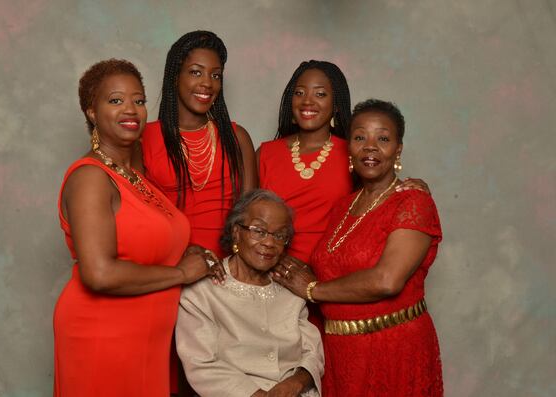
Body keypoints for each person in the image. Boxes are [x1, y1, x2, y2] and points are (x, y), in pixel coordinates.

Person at [53, 59, 222, 397]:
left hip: (146, 340)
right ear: (91, 111)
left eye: (139, 100)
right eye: (115, 100)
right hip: (102, 336)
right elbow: (99, 273)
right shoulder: (91, 178)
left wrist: (183, 249)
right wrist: (181, 273)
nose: (131, 109)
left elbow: (145, 242)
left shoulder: (136, 174)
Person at [273, 99, 443, 396]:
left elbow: (387, 281)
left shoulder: (413, 203)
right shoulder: (342, 206)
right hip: (341, 353)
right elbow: (337, 268)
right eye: (360, 137)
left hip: (392, 349)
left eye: (383, 138)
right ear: (348, 146)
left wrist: (312, 289)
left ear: (398, 149)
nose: (370, 146)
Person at [258, 61, 427, 264]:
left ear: (336, 104)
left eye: (320, 94)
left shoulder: (355, 152)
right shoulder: (266, 153)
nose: (307, 102)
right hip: (271, 269)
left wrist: (414, 189)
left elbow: (380, 196)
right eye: (299, 93)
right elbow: (247, 219)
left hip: (329, 273)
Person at [176, 190, 324, 397]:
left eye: (280, 235)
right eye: (259, 231)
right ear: (237, 232)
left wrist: (295, 383)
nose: (269, 243)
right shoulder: (202, 290)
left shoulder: (290, 286)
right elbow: (201, 363)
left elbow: (312, 352)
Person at [140, 30, 257, 258]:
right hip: (170, 265)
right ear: (175, 76)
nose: (207, 83)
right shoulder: (145, 139)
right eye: (196, 72)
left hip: (228, 271)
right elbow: (139, 221)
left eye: (216, 76)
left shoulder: (237, 137)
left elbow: (250, 219)